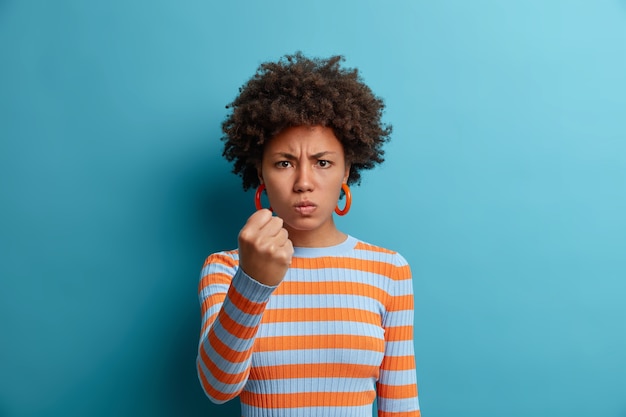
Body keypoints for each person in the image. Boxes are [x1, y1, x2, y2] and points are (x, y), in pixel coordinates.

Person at [197, 52, 421, 417]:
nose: (304, 183)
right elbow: (217, 388)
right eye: (284, 163)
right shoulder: (224, 269)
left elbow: (400, 408)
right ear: (261, 174)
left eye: (323, 162)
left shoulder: (389, 271)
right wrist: (252, 283)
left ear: (346, 170)